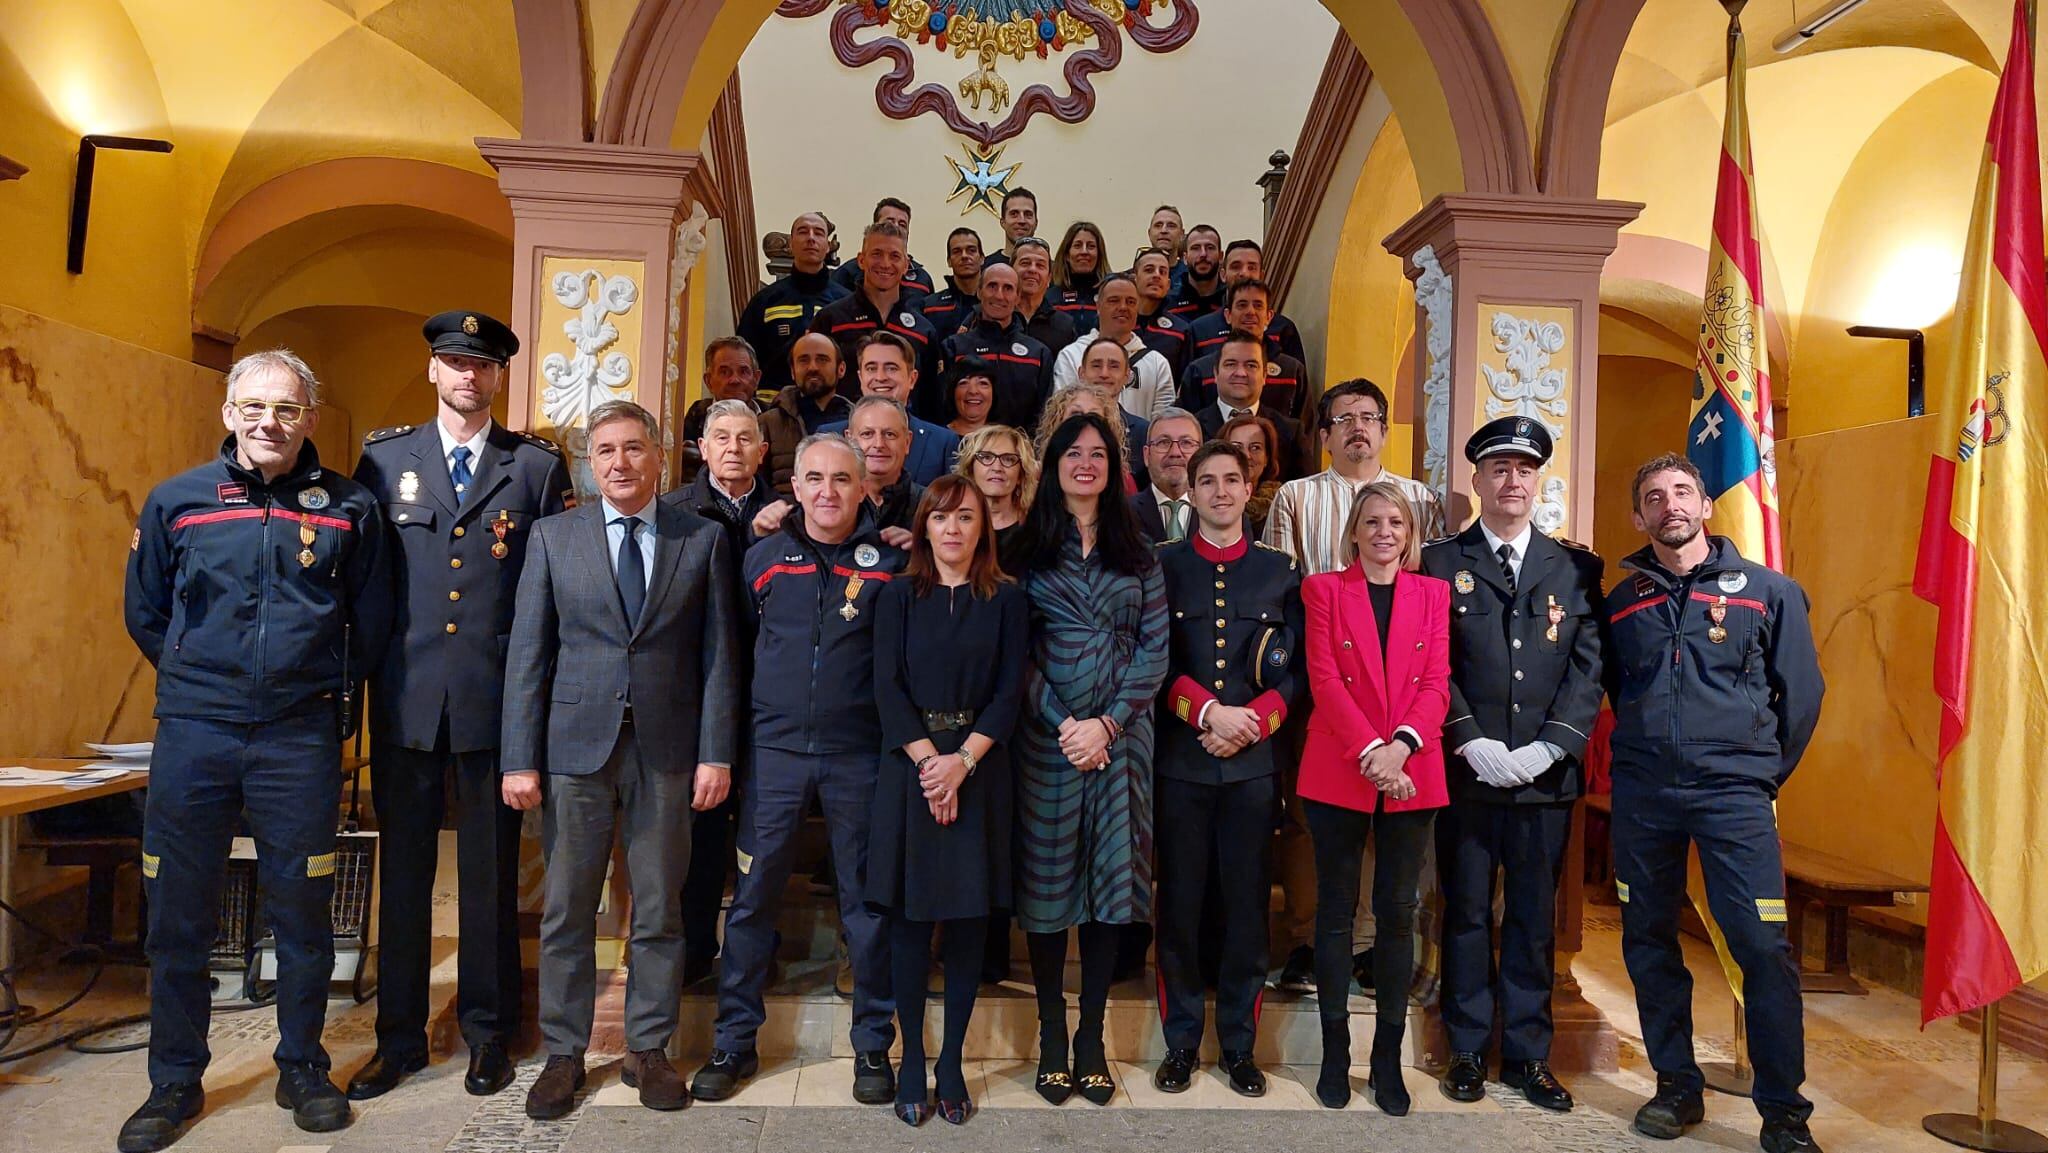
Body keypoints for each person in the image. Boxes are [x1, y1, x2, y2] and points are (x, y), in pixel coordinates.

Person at [120, 348, 393, 1152]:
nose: (269, 423)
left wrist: (325, 696)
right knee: (178, 912)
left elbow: (369, 621)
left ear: (309, 417)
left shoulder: (349, 507)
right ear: (228, 414)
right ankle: (173, 1078)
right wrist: (202, 678)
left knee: (302, 910)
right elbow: (147, 613)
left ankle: (302, 1064)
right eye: (253, 408)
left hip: (297, 736)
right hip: (196, 733)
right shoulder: (177, 502)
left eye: (286, 409)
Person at [346, 312, 569, 1105]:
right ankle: (399, 1038)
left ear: (499, 376)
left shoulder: (534, 467)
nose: (467, 376)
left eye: (481, 365)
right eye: (453, 362)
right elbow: (367, 584)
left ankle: (487, 1034)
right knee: (402, 879)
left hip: (493, 701)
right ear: (433, 369)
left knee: (489, 879)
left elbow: (544, 598)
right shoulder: (382, 459)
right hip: (405, 697)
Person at [500, 400, 741, 1119]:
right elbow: (528, 656)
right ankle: (565, 1052)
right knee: (568, 908)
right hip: (575, 750)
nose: (619, 463)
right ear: (589, 460)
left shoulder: (699, 540)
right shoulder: (553, 537)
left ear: (659, 455)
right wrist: (520, 756)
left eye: (633, 449)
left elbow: (720, 656)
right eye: (604, 451)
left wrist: (716, 753)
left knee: (661, 908)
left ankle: (648, 1046)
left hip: (668, 751)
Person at [1603, 453, 1825, 1153]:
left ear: (1704, 505)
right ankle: (1676, 1086)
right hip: (1643, 797)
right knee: (1647, 941)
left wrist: (1756, 772)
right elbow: (1616, 692)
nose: (1669, 504)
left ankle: (1784, 1113)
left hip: (1735, 798)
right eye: (1653, 496)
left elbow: (1803, 696)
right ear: (1639, 518)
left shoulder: (1769, 591)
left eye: (1681, 491)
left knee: (1762, 945)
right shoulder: (1623, 601)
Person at [695, 434, 909, 1108]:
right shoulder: (762, 558)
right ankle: (734, 1038)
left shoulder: (892, 563)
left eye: (841, 479)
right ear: (795, 485)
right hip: (775, 754)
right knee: (754, 902)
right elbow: (732, 655)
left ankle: (873, 1041)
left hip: (860, 756)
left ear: (862, 486)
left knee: (867, 907)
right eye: (813, 478)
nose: (827, 491)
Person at [1421, 417, 1606, 1114]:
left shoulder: (1576, 567)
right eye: (1499, 468)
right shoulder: (1439, 563)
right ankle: (1467, 1047)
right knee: (1465, 910)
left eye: (1525, 470)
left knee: (1532, 918)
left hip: (1545, 777)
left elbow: (1589, 669)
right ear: (1477, 480)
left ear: (1540, 482)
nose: (1512, 481)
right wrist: (1468, 737)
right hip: (1467, 773)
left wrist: (1550, 744)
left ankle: (1528, 1054)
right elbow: (1430, 659)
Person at [1262, 379, 1443, 993]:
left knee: (1390, 828)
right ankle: (1311, 941)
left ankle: (1374, 946)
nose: (1358, 428)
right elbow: (1281, 592)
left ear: (1385, 430)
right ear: (1324, 433)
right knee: (1312, 824)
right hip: (1323, 687)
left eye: (1369, 417)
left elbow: (1424, 590)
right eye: (1343, 419)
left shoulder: (1420, 498)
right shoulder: (1296, 496)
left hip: (1400, 697)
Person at [1013, 413, 1170, 1108]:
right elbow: (1013, 654)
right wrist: (1065, 721)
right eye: (1072, 453)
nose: (1085, 463)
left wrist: (1106, 723)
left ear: (1115, 466)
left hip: (1121, 741)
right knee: (1048, 895)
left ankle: (1091, 1037)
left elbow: (1156, 649)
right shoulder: (1022, 550)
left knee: (1111, 894)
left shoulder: (1140, 549)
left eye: (1097, 453)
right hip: (1046, 740)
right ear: (1052, 465)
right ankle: (1051, 1033)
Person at [867, 476, 1030, 1127]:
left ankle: (954, 1060)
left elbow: (1009, 692)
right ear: (925, 526)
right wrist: (930, 763)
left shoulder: (1007, 599)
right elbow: (886, 686)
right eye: (942, 517)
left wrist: (961, 763)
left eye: (967, 517)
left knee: (967, 921)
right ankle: (910, 1060)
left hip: (980, 767)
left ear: (982, 527)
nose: (955, 528)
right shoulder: (899, 595)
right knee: (909, 923)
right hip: (911, 767)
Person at [1151, 442, 1303, 1099]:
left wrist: (1254, 720)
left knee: (1245, 911)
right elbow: (1152, 657)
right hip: (1183, 761)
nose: (1218, 491)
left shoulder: (1280, 571)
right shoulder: (1162, 567)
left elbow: (1296, 669)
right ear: (1191, 492)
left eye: (1230, 480)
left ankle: (1239, 1046)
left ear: (1250, 489)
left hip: (1251, 767)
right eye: (1205, 481)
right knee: (1180, 905)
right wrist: (1208, 712)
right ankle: (1182, 1041)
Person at [1297, 482, 1450, 1113]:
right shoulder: (1323, 590)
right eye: (1372, 521)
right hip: (1340, 763)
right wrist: (1372, 752)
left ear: (1410, 535)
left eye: (1396, 522)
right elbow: (1325, 680)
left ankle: (1387, 1058)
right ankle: (1336, 1053)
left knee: (1396, 914)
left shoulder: (1434, 593)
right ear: (1353, 531)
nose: (1384, 531)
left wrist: (1401, 749)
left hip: (1413, 766)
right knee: (1335, 914)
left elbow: (1438, 681)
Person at [669, 399, 777, 984]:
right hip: (697, 694)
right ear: (702, 449)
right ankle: (690, 956)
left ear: (764, 450)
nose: (733, 448)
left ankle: (757, 955)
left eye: (745, 438)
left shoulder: (791, 511)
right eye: (721, 438)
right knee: (699, 832)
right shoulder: (673, 513)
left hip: (767, 693)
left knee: (763, 833)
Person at [810, 220, 945, 397]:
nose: (885, 263)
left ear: (906, 265)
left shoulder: (923, 331)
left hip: (905, 424)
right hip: (844, 424)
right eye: (877, 254)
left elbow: (931, 400)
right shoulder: (830, 319)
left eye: (895, 256)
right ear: (861, 260)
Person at [1180, 279, 1314, 435]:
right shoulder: (1199, 371)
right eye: (1242, 305)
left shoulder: (1293, 370)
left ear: (1269, 316)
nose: (1250, 312)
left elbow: (1306, 430)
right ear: (1228, 315)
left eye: (1258, 305)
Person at [821, 331, 959, 482]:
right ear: (861, 378)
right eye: (871, 368)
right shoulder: (828, 436)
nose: (880, 377)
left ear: (912, 378)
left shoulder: (943, 442)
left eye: (891, 368)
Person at [738, 211, 850, 394]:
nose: (811, 238)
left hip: (830, 412)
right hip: (773, 411)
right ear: (790, 244)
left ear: (828, 246)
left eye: (819, 233)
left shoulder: (845, 302)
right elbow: (745, 359)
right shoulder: (764, 301)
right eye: (803, 232)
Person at [941, 261, 1054, 430]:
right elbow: (942, 411)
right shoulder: (954, 347)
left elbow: (1043, 416)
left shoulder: (1038, 354)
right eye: (992, 286)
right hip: (964, 451)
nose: (999, 296)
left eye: (1008, 288)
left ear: (1017, 297)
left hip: (1020, 452)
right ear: (979, 292)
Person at [1051, 274, 1177, 422]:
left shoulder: (1157, 363)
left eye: (1130, 302)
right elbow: (1062, 413)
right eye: (1114, 300)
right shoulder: (1071, 356)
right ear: (1098, 306)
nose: (1123, 307)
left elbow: (1162, 425)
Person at [1195, 331, 1311, 481]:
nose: (1241, 373)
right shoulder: (1192, 430)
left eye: (1251, 365)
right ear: (1215, 373)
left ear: (1264, 376)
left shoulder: (1291, 433)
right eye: (1231, 364)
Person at [759, 332, 854, 494]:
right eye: (803, 360)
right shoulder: (767, 423)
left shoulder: (857, 422)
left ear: (841, 369)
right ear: (792, 371)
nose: (813, 367)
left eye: (822, 359)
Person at [1183, 242, 1307, 364]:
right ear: (1223, 275)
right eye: (1236, 266)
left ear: (1262, 275)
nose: (1244, 273)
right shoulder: (1199, 330)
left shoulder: (1283, 328)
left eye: (1252, 267)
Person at [1038, 373, 1144, 495]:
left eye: (1094, 416)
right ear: (1056, 422)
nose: (1085, 422)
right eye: (1076, 414)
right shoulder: (1034, 479)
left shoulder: (1124, 482)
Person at [679, 336, 765, 483]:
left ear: (756, 379)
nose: (735, 380)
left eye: (743, 371)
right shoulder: (696, 416)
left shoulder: (771, 417)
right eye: (725, 372)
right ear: (708, 381)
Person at [956, 423, 1037, 572]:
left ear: (1020, 475)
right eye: (986, 457)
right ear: (970, 469)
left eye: (1008, 459)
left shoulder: (1037, 529)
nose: (997, 468)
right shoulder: (953, 527)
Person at [832, 197, 936, 296]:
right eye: (889, 222)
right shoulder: (848, 273)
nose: (895, 227)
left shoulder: (922, 279)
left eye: (902, 224)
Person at [1130, 408, 1202, 543]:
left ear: (1201, 454)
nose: (1175, 452)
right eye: (1163, 442)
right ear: (1146, 455)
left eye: (1186, 443)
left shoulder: (1220, 511)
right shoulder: (1122, 515)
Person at [1132, 247, 1192, 381]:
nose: (1156, 275)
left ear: (1168, 284)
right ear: (1134, 278)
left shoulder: (1181, 331)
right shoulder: (1118, 323)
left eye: (1163, 272)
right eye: (1149, 270)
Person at [1014, 236, 1080, 353]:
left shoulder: (1064, 326)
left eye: (1040, 265)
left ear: (1049, 278)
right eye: (1025, 263)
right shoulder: (991, 317)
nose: (1032, 269)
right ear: (1011, 271)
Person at [1221, 412, 1283, 538]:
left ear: (1267, 458)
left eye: (1255, 448)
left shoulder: (1283, 503)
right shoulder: (1207, 502)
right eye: (1237, 447)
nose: (1246, 456)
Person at [919, 226, 983, 335]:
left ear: (981, 258)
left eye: (971, 250)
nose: (964, 256)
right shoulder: (929, 307)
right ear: (949, 261)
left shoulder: (995, 304)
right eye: (957, 251)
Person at [1051, 220, 1107, 321]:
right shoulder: (1050, 297)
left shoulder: (1109, 295)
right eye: (1077, 245)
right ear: (1067, 255)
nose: (1084, 251)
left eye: (1091, 246)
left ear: (1099, 255)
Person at [1166, 225, 1223, 319]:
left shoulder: (1232, 304)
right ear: (1185, 258)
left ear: (1221, 256)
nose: (1203, 254)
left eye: (1210, 247)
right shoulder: (1167, 304)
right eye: (1196, 248)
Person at [948, 356, 998, 438]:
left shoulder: (1007, 441)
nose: (973, 391)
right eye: (964, 383)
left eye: (983, 383)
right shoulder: (937, 439)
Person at [1148, 204, 1187, 290]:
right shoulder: (1134, 278)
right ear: (1149, 233)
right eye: (1158, 225)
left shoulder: (1190, 278)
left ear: (1182, 234)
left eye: (1171, 226)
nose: (1164, 231)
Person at [997, 186, 1038, 259]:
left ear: (1036, 223)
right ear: (1003, 222)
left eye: (1028, 214)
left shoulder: (1052, 269)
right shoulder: (985, 267)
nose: (1022, 221)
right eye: (1014, 214)